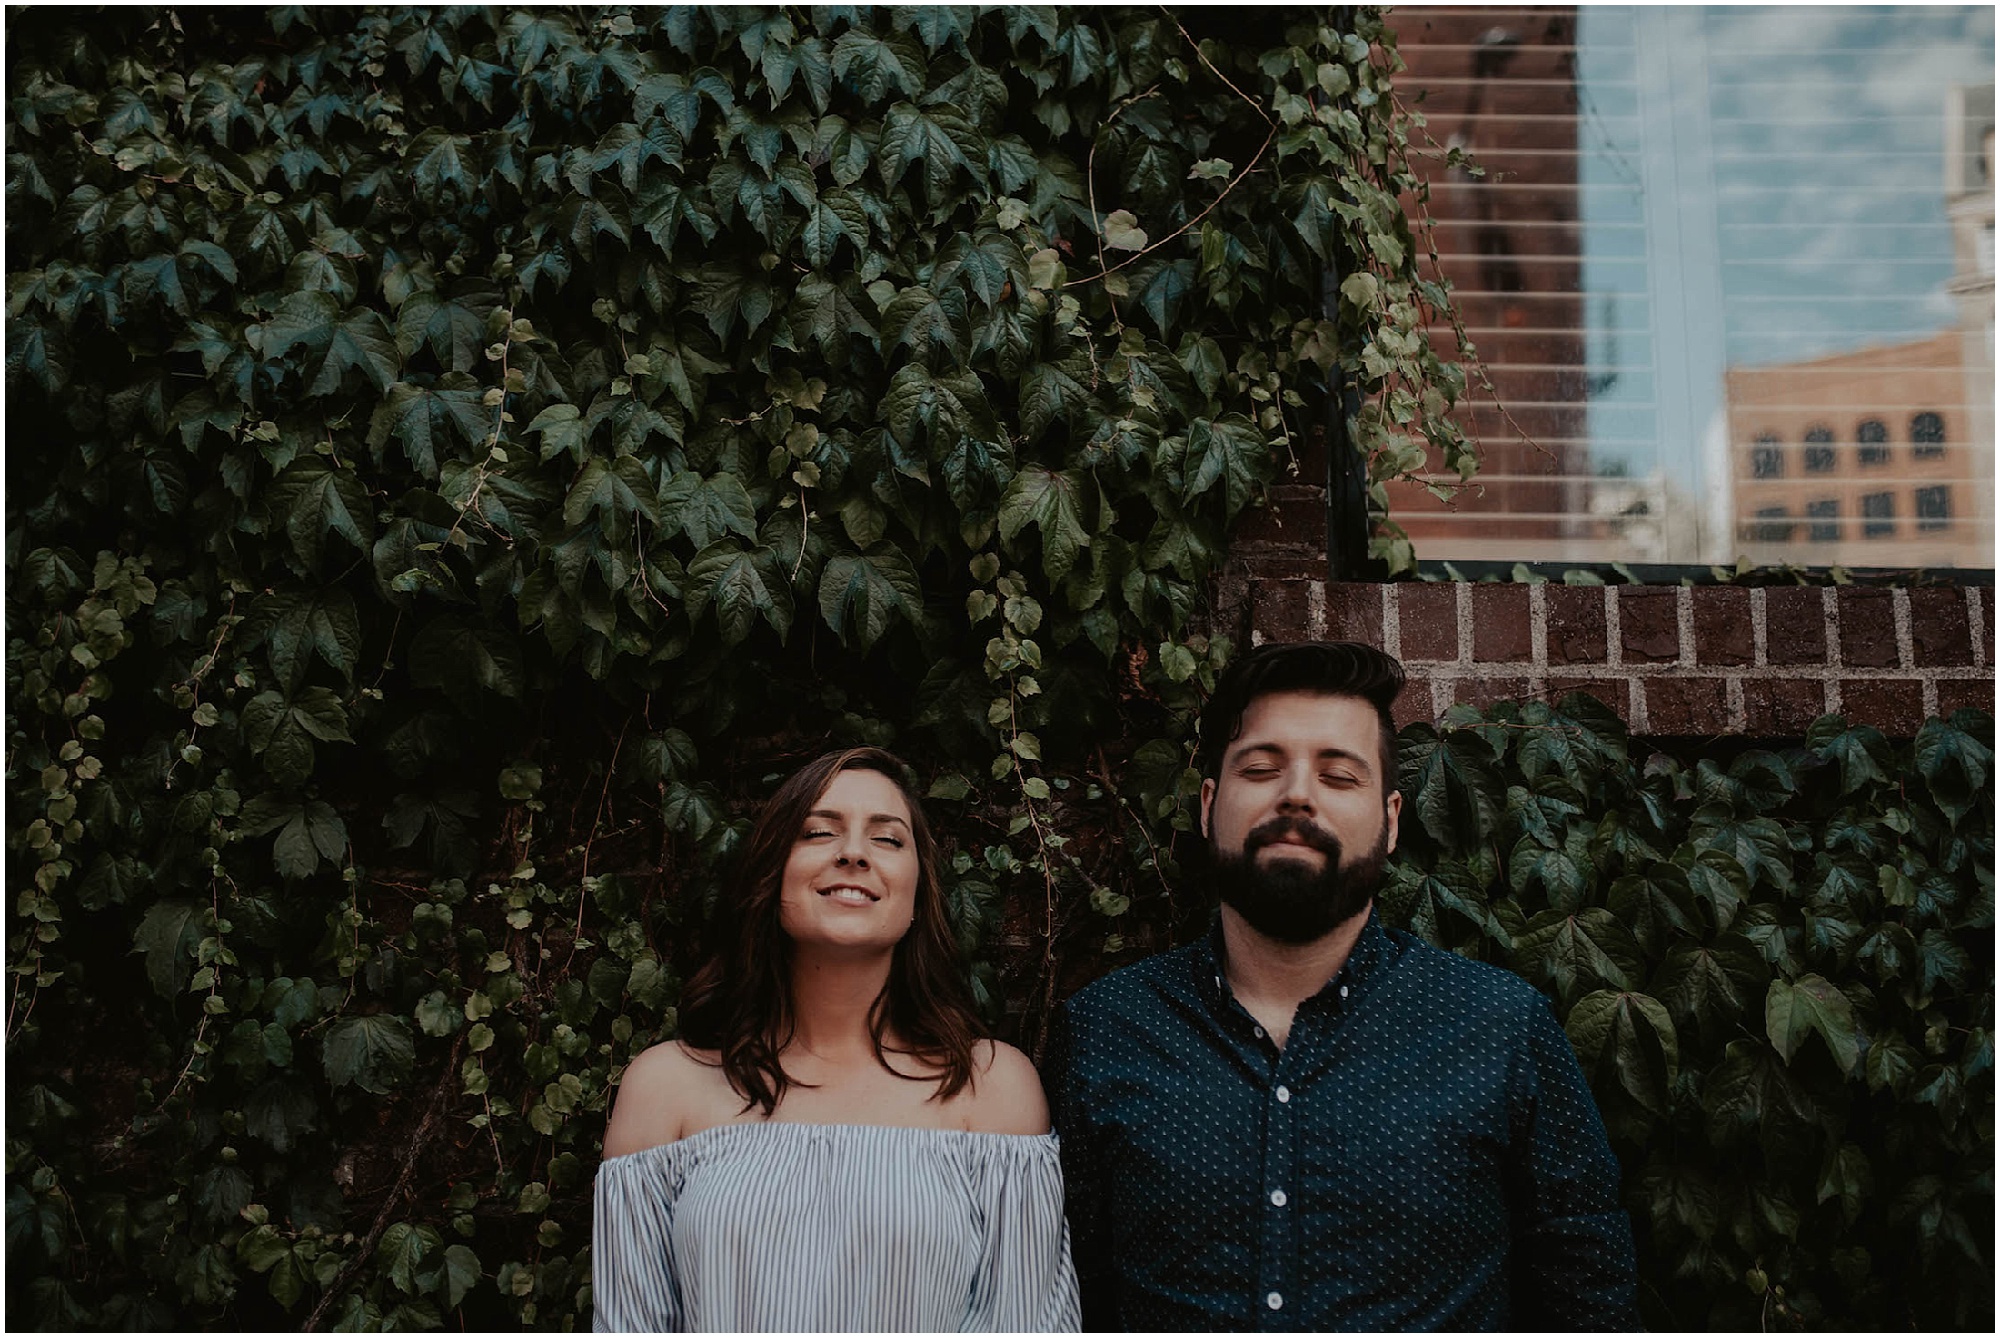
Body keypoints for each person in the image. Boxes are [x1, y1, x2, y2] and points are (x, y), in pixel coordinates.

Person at [1046, 641, 1639, 1330]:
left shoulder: (1502, 1029)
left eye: (1338, 775)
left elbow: (1589, 1297)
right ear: (1208, 807)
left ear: (1391, 822)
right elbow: (1066, 1299)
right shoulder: (1103, 1032)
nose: (1297, 794)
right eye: (1261, 768)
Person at [593, 746, 1080, 1332]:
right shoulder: (667, 1088)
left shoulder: (990, 1086)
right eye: (819, 832)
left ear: (918, 893)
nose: (853, 853)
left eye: (888, 839)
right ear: (772, 872)